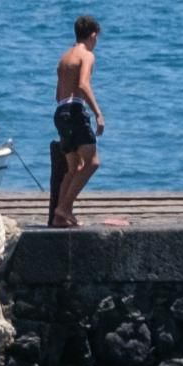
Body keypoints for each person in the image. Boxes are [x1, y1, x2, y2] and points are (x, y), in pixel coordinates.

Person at [51, 15, 105, 229]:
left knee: (73, 167)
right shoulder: (87, 55)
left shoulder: (64, 58)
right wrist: (98, 113)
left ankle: (59, 218)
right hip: (74, 110)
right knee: (92, 163)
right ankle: (64, 208)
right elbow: (83, 84)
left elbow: (58, 95)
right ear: (93, 35)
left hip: (61, 111)